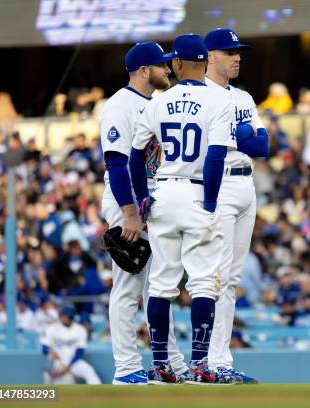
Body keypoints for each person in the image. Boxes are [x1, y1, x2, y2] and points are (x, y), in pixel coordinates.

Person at [129, 34, 238, 385]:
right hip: (196, 193)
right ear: (206, 62)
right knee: (204, 283)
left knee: (161, 285)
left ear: (176, 63)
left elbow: (135, 153)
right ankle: (200, 365)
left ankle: (160, 365)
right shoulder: (218, 100)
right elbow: (217, 156)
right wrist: (209, 203)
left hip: (164, 192)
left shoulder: (159, 101)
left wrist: (142, 195)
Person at [99, 41, 187, 385]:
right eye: (162, 65)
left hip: (154, 196)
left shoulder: (160, 103)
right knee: (128, 284)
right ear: (143, 70)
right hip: (128, 200)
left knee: (159, 287)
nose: (168, 70)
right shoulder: (119, 105)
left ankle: (172, 363)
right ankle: (126, 368)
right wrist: (130, 213)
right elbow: (116, 163)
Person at [204, 27, 269, 384]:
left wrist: (241, 138)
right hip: (221, 183)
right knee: (216, 276)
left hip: (247, 184)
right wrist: (245, 138)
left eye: (238, 51)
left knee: (230, 280)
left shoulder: (243, 98)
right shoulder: (200, 96)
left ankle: (221, 359)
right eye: (230, 52)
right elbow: (247, 140)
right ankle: (208, 361)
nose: (237, 57)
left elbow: (263, 145)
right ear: (210, 56)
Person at [41, 305, 101, 384]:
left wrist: (69, 365)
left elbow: (80, 351)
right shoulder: (52, 328)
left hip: (73, 362)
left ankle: (98, 392)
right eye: (61, 315)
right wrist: (50, 352)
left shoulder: (80, 330)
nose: (62, 318)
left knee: (88, 370)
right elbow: (44, 347)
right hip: (57, 361)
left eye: (65, 316)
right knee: (52, 375)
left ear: (70, 317)